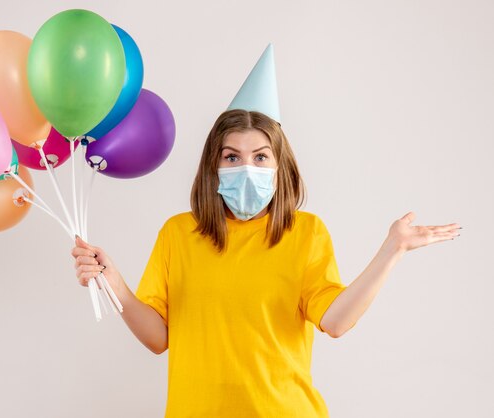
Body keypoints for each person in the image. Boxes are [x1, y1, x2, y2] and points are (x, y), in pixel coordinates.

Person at [71, 108, 461, 417]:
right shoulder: (178, 234)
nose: (247, 168)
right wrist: (114, 281)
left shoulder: (305, 233)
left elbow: (337, 321)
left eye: (260, 156)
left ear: (280, 167)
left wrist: (392, 248)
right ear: (214, 167)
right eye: (232, 157)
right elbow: (158, 339)